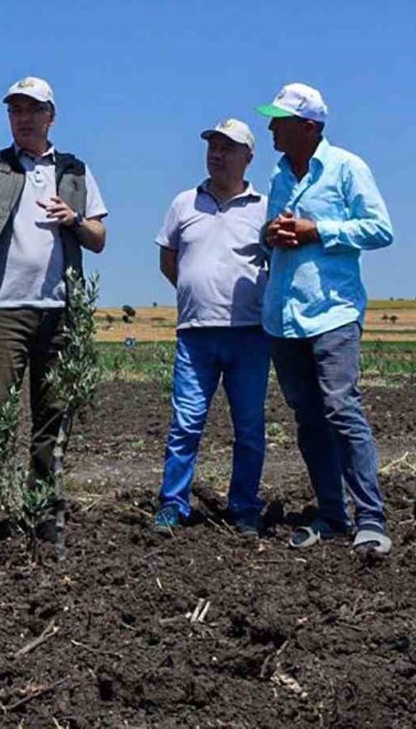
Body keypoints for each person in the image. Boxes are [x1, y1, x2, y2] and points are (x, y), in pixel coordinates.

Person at [0, 77, 108, 555]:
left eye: (32, 110)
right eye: (15, 110)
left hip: (59, 310)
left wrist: (75, 220)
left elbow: (99, 237)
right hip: (7, 307)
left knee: (52, 415)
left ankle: (45, 511)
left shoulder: (74, 170)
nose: (23, 117)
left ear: (51, 117)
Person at [256, 83, 395, 555]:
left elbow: (380, 229)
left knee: (341, 408)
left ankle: (370, 519)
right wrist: (271, 233)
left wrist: (320, 230)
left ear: (310, 127)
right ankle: (332, 516)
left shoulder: (346, 168)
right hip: (283, 315)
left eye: (281, 120)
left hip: (332, 312)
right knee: (309, 417)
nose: (272, 126)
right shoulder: (278, 177)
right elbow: (273, 233)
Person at [153, 118, 270, 538]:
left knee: (250, 426)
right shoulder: (184, 203)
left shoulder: (264, 207)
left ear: (248, 157)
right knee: (186, 422)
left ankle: (244, 507)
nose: (217, 154)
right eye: (212, 146)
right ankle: (173, 504)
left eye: (227, 147)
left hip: (250, 334)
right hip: (195, 334)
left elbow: (274, 265)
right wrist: (195, 290)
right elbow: (170, 260)